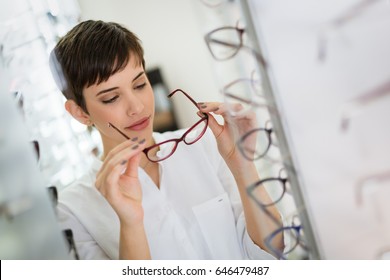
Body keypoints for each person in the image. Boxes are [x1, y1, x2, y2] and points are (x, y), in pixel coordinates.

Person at [49, 20, 283, 260]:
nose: (137, 107)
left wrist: (242, 164)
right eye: (111, 98)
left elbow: (271, 251)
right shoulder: (74, 210)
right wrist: (131, 225)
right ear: (80, 112)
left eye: (140, 84)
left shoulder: (204, 147)